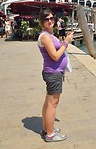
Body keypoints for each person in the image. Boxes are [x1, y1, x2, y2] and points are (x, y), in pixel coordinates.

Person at [37, 9, 74, 142]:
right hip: (53, 73)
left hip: (53, 72)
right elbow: (55, 56)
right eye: (46, 19)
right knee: (53, 104)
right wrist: (66, 42)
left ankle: (47, 128)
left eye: (51, 18)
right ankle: (50, 135)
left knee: (48, 102)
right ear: (42, 22)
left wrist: (63, 41)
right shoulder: (45, 36)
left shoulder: (49, 34)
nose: (50, 21)